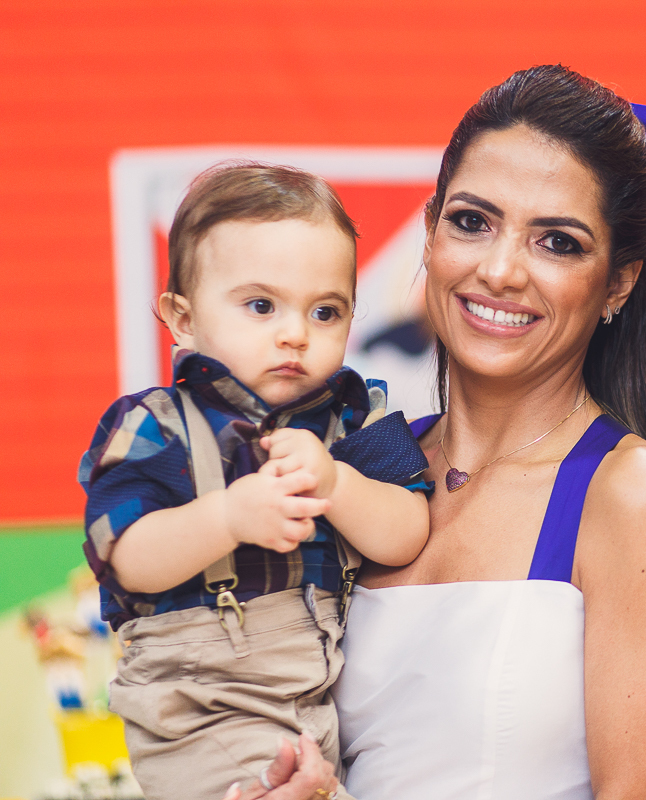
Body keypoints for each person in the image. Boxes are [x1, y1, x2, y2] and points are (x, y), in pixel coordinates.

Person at [240, 64, 646, 800]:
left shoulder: (631, 493)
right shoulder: (362, 465)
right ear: (429, 232)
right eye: (472, 221)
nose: (499, 270)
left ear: (618, 283)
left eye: (556, 242)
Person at [78, 163, 431, 800]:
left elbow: (407, 532)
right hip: (198, 698)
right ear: (182, 319)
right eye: (261, 306)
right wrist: (226, 518)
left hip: (318, 692)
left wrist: (339, 485)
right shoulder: (156, 425)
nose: (295, 334)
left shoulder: (356, 415)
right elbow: (125, 557)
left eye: (326, 312)